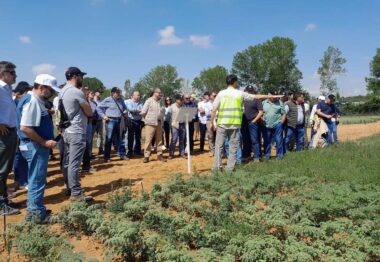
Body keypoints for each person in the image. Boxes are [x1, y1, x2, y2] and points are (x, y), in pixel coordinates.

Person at [211, 74, 280, 171]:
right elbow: (257, 96)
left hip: (222, 123)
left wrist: (211, 122)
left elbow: (214, 109)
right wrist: (274, 96)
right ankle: (230, 168)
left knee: (219, 146)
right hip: (235, 124)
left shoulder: (221, 93)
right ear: (234, 82)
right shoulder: (240, 94)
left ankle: (216, 167)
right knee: (233, 147)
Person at [18, 74, 60, 223]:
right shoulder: (32, 101)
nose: (52, 94)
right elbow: (25, 127)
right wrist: (44, 142)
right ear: (42, 88)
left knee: (36, 179)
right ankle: (35, 214)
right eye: (51, 90)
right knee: (36, 180)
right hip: (35, 145)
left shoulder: (35, 100)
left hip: (33, 145)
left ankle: (36, 210)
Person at [60, 67, 93, 202]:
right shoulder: (75, 92)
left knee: (67, 162)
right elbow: (89, 111)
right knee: (74, 163)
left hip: (67, 131)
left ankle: (70, 187)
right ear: (75, 76)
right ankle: (76, 192)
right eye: (81, 76)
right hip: (76, 130)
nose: (82, 78)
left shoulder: (62, 91)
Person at [0, 61, 20, 215]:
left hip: (11, 132)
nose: (15, 75)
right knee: (1, 170)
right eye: (12, 72)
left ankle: (4, 199)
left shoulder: (7, 90)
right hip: (3, 134)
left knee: (6, 169)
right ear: (2, 74)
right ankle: (1, 204)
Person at [97, 87, 128, 162]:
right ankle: (107, 157)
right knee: (109, 139)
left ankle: (122, 154)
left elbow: (125, 108)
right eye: (117, 92)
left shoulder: (121, 100)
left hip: (120, 120)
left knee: (121, 138)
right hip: (110, 120)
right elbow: (98, 108)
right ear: (113, 93)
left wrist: (125, 111)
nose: (119, 94)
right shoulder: (108, 99)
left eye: (119, 92)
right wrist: (103, 116)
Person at [13, 81, 32, 191]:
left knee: (23, 157)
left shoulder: (22, 102)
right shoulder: (14, 103)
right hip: (17, 136)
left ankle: (23, 180)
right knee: (18, 157)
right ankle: (19, 180)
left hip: (22, 136)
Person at [140, 88, 166, 163]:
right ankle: (146, 156)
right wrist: (146, 121)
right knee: (148, 140)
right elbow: (143, 112)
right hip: (150, 123)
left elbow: (163, 111)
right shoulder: (148, 101)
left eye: (160, 93)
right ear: (154, 93)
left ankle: (159, 155)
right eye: (158, 93)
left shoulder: (161, 101)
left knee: (159, 140)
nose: (160, 94)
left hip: (159, 123)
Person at [242, 85, 264, 162]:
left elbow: (261, 112)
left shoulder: (256, 99)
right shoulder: (243, 100)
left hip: (253, 122)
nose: (249, 92)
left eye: (251, 91)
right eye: (248, 91)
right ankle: (246, 155)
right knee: (245, 139)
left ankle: (257, 156)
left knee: (254, 140)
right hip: (244, 122)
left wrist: (254, 121)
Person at [263, 93, 286, 159]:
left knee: (279, 140)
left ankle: (279, 155)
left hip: (277, 124)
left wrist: (281, 123)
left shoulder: (280, 103)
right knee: (267, 140)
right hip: (266, 124)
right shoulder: (264, 102)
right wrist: (263, 121)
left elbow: (284, 114)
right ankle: (267, 155)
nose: (274, 97)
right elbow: (261, 112)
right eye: (273, 96)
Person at [82, 88, 97, 172]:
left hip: (89, 124)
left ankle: (86, 165)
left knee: (87, 144)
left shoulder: (89, 103)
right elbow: (89, 113)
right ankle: (85, 165)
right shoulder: (83, 102)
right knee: (85, 145)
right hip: (84, 125)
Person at [125, 91, 144, 159]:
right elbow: (131, 110)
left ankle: (137, 151)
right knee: (130, 137)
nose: (139, 96)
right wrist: (138, 111)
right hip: (131, 121)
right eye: (138, 95)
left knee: (138, 137)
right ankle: (130, 152)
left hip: (138, 121)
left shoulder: (141, 103)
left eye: (139, 95)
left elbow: (143, 111)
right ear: (133, 96)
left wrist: (136, 112)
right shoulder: (129, 102)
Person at [168, 95, 186, 159]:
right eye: (180, 99)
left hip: (182, 125)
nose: (181, 101)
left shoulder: (184, 106)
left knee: (182, 140)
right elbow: (168, 117)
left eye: (181, 99)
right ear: (176, 100)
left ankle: (182, 153)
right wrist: (171, 124)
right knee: (174, 140)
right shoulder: (172, 107)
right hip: (174, 126)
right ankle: (171, 154)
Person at [93, 91, 104, 155]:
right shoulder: (92, 101)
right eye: (99, 93)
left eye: (101, 93)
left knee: (100, 135)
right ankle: (89, 151)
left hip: (100, 120)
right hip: (93, 121)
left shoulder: (101, 101)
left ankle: (100, 149)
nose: (100, 94)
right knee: (91, 136)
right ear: (95, 93)